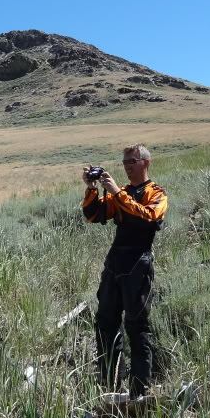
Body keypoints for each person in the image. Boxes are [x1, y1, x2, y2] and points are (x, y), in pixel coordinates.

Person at [82, 144, 168, 399]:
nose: (127, 166)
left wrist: (117, 193)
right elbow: (93, 215)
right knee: (105, 323)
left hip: (138, 263)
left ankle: (140, 390)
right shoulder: (121, 192)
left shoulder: (157, 193)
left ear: (145, 163)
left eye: (132, 161)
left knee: (136, 325)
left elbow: (149, 217)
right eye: (124, 162)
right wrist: (91, 188)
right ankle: (110, 385)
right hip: (115, 262)